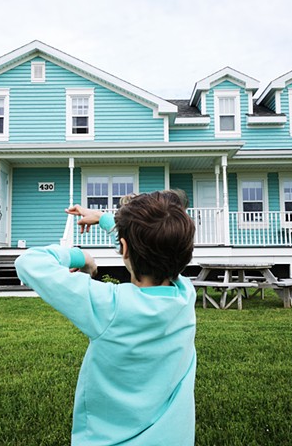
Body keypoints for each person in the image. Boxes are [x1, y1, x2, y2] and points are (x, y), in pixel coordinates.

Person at [14, 191, 197, 445]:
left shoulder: (109, 306)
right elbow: (146, 244)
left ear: (123, 248)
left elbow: (28, 262)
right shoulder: (186, 295)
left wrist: (82, 257)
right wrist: (104, 219)